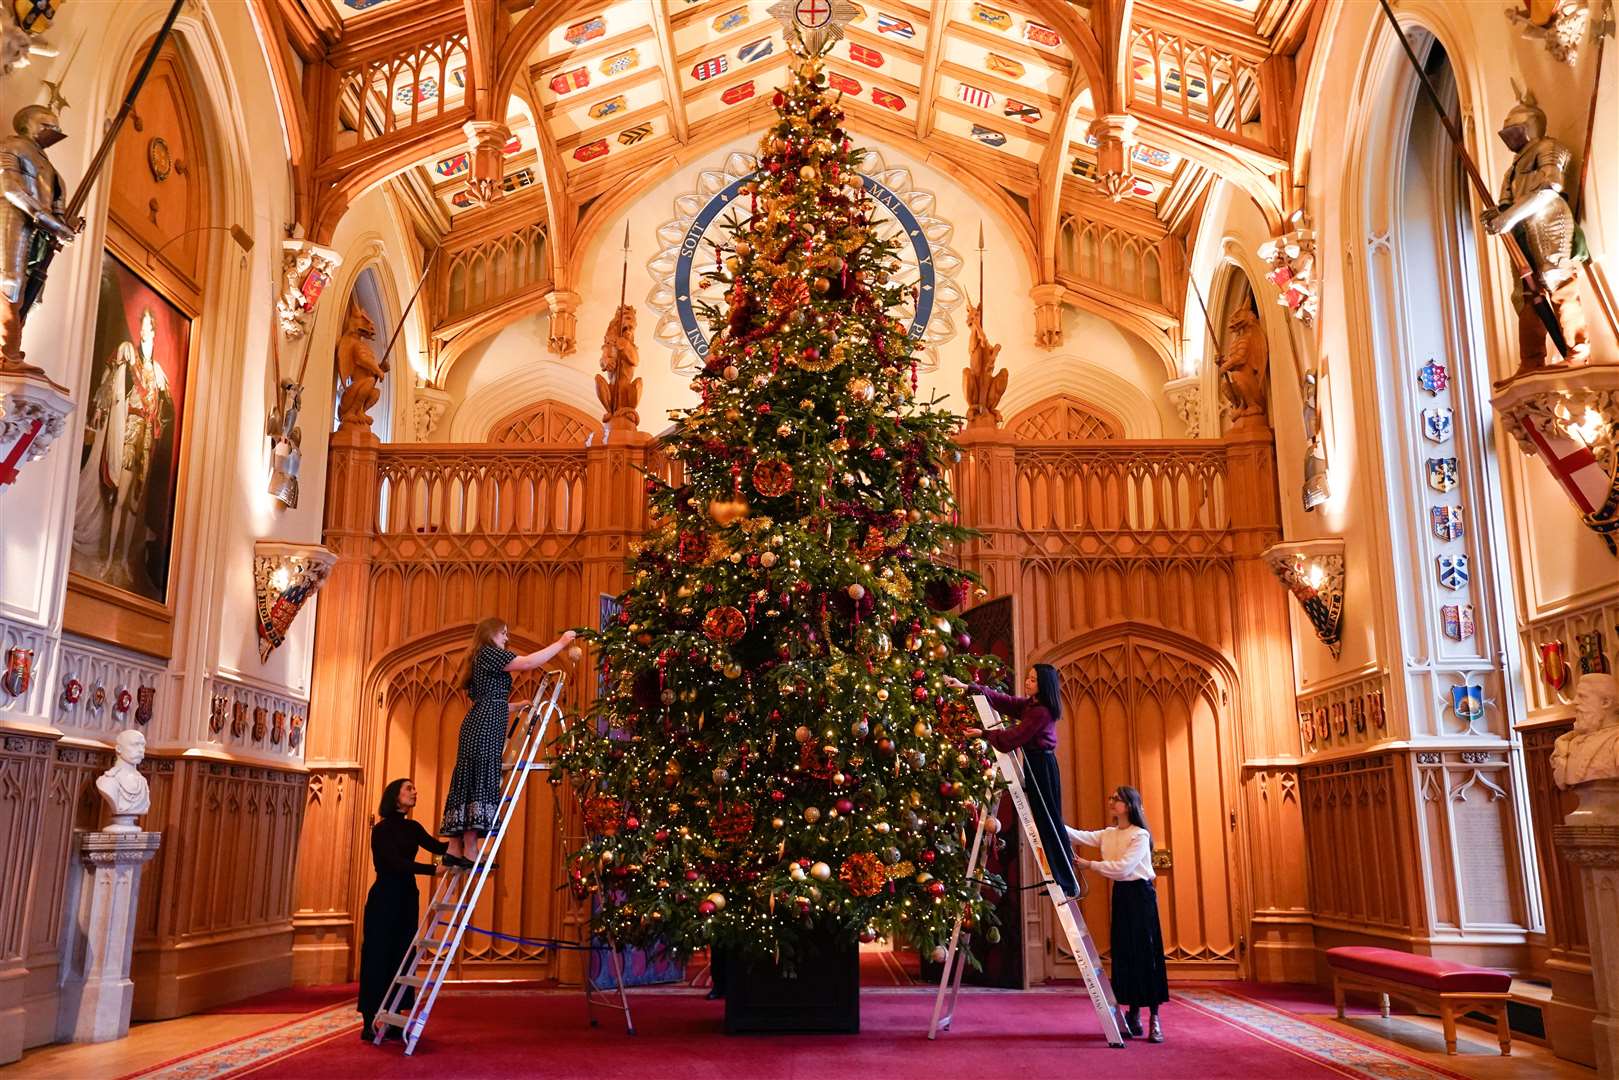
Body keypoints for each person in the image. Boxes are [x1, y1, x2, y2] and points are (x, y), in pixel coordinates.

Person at [439, 618, 577, 863]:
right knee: (479, 776)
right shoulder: (489, 653)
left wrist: (512, 706)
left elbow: (487, 699)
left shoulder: (481, 657)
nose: (506, 638)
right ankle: (469, 848)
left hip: (480, 723)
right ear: (490, 634)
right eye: (503, 633)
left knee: (470, 776)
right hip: (484, 728)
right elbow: (528, 663)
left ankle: (454, 848)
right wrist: (561, 643)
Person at [944, 664, 1080, 898]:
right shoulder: (1031, 706)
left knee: (1049, 822)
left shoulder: (1041, 712)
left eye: (1033, 680)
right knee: (1043, 822)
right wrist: (968, 687)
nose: (1027, 682)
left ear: (1044, 685)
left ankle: (1067, 880)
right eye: (1028, 678)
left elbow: (1012, 738)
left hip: (1043, 767)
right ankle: (1059, 879)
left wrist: (984, 734)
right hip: (1035, 764)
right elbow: (1005, 701)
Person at [1068, 786, 1169, 1043]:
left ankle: (1154, 1020)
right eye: (1111, 797)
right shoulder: (1109, 833)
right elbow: (1078, 836)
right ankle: (1133, 1012)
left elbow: (1124, 869)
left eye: (1117, 799)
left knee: (1146, 954)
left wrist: (1090, 865)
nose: (1111, 802)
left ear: (1129, 805)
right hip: (1122, 897)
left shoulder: (1140, 835)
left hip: (1141, 897)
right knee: (1125, 952)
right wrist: (1049, 820)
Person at [359, 778, 451, 1042]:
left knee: (403, 955)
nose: (415, 792)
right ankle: (369, 1020)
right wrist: (432, 870)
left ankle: (396, 1018)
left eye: (414, 788)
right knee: (377, 956)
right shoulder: (381, 830)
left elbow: (439, 847)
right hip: (384, 899)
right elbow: (392, 863)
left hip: (407, 898)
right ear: (394, 796)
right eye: (408, 788)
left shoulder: (413, 827)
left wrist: (467, 838)